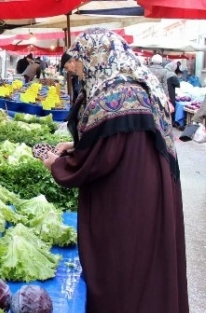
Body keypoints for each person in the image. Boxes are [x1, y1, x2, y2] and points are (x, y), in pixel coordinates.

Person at [42, 28, 189, 313]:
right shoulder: (134, 83)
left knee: (126, 270)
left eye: (78, 60)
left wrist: (58, 164)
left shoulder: (118, 93)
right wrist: (73, 145)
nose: (75, 68)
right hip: (146, 187)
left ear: (97, 55)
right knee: (148, 267)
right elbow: (118, 140)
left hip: (128, 197)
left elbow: (102, 157)